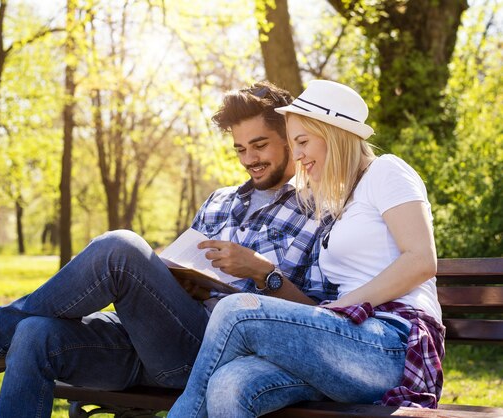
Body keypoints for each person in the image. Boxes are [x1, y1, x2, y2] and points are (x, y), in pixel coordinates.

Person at [0, 81, 327, 418]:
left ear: (288, 140)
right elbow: (186, 265)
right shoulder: (219, 200)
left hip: (212, 355)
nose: (249, 159)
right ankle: (2, 335)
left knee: (120, 247)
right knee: (34, 334)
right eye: (239, 148)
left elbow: (320, 322)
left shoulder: (317, 210)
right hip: (146, 340)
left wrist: (258, 271)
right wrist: (174, 275)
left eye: (259, 146)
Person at [167, 80, 445, 418]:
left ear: (333, 134)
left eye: (303, 141)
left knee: (236, 310)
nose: (297, 155)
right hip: (344, 343)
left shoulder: (386, 171)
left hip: (390, 341)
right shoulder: (338, 200)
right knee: (231, 382)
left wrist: (340, 307)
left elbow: (421, 260)